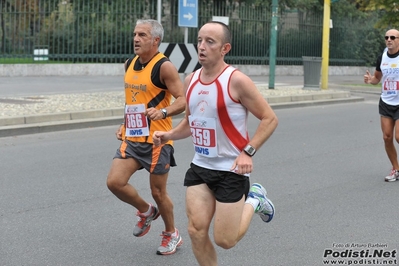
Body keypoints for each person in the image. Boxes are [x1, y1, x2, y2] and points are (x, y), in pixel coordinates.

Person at [153, 21, 278, 265]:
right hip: (200, 167)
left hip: (231, 170)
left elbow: (270, 119)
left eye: (210, 42)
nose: (202, 46)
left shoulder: (236, 80)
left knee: (225, 240)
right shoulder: (190, 81)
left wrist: (247, 153)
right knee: (195, 231)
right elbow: (192, 123)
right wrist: (168, 135)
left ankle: (255, 200)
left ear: (225, 48)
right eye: (200, 40)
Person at [106, 19, 185, 255]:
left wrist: (163, 111)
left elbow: (182, 100)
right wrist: (124, 123)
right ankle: (146, 211)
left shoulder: (164, 67)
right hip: (132, 137)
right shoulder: (129, 63)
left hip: (157, 140)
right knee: (115, 182)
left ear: (156, 40)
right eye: (135, 34)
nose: (136, 39)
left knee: (159, 193)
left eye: (142, 35)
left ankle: (172, 233)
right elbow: (132, 100)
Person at [364, 28, 399, 182]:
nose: (389, 39)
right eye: (387, 37)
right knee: (387, 137)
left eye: (393, 37)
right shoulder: (382, 57)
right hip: (386, 101)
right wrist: (370, 80)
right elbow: (377, 79)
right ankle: (396, 169)